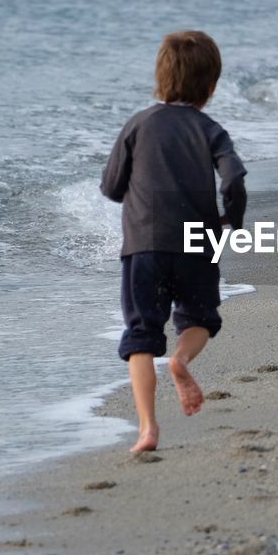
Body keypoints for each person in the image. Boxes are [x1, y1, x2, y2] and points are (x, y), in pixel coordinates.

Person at [100, 31, 246, 452]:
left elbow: (111, 187)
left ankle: (148, 428)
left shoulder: (138, 124)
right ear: (212, 86)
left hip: (144, 243)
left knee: (141, 335)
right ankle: (180, 360)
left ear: (159, 79)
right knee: (200, 319)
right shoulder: (210, 128)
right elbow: (234, 177)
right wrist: (231, 220)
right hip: (198, 238)